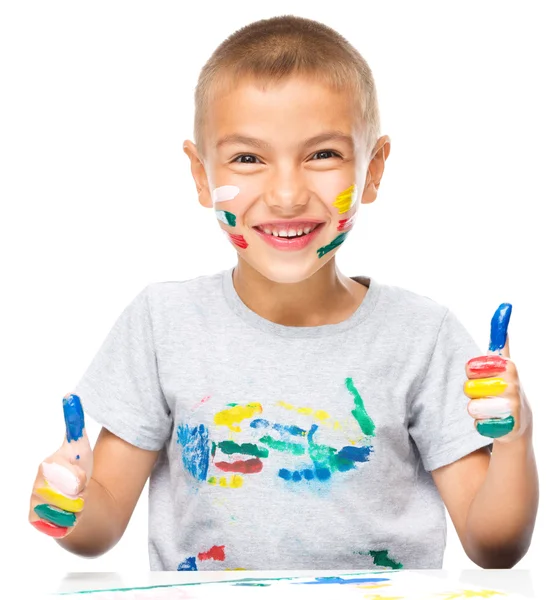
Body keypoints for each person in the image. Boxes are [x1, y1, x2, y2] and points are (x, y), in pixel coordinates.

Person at [28, 15, 538, 571]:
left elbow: (495, 545)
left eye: (323, 155)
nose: (288, 194)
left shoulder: (422, 335)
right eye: (248, 158)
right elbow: (98, 530)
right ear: (201, 175)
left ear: (373, 169)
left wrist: (514, 441)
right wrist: (67, 502)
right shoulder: (163, 323)